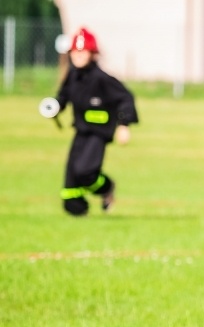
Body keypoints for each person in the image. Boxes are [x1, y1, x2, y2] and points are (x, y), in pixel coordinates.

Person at [52, 27, 138, 216]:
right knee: (70, 188)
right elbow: (63, 96)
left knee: (85, 172)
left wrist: (124, 125)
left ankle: (107, 188)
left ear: (93, 54)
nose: (78, 56)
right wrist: (55, 106)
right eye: (75, 51)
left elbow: (126, 98)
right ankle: (79, 212)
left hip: (99, 133)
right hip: (81, 130)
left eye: (83, 52)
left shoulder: (102, 79)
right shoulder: (73, 76)